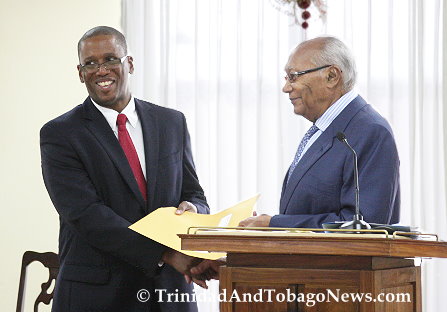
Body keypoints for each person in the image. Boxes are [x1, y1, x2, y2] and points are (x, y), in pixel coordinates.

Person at [40, 26, 220, 312]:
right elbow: (86, 215)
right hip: (97, 296)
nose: (101, 70)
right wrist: (167, 253)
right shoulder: (60, 134)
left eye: (111, 59)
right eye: (90, 63)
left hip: (168, 293)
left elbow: (195, 193)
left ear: (130, 63)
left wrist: (193, 209)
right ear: (80, 73)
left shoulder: (172, 122)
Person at [239, 37, 400, 229]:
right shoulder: (325, 129)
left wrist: (276, 224)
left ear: (332, 76)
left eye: (293, 76)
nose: (286, 87)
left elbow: (363, 225)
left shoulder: (371, 131)